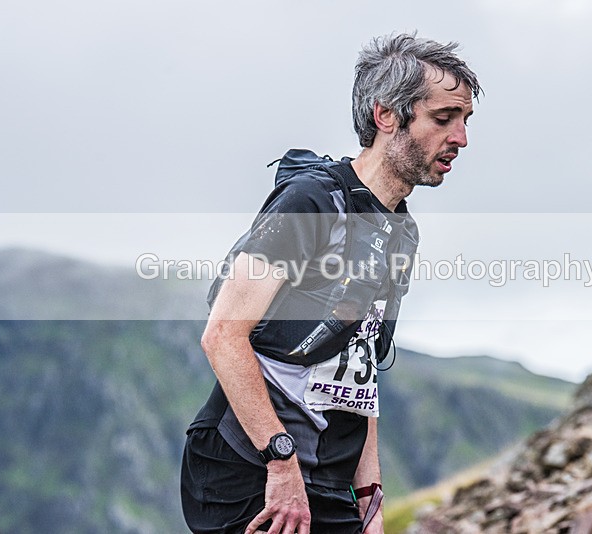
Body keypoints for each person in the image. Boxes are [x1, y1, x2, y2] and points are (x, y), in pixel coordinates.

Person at [181, 32, 481, 534]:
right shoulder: (312, 203)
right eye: (443, 118)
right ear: (387, 116)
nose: (461, 139)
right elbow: (222, 336)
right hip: (250, 468)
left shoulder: (401, 232)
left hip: (327, 481)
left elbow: (358, 368)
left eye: (466, 121)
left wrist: (370, 495)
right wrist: (280, 462)